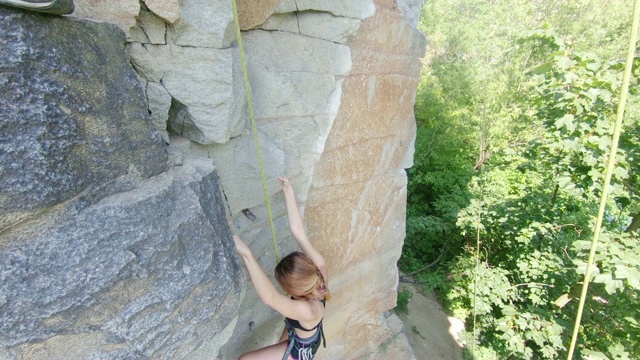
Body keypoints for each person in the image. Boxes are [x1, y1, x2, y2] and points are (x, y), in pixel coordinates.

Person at [233, 176, 330, 360]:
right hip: (303, 336)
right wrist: (288, 190)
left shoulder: (308, 310)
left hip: (299, 353)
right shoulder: (320, 272)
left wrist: (247, 254)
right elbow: (298, 231)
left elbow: (270, 297)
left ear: (292, 291)